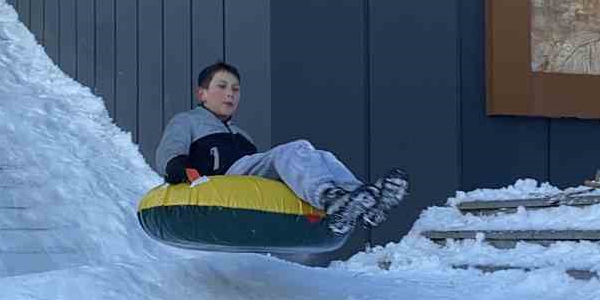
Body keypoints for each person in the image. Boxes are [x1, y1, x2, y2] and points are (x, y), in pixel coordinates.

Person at [154, 62, 409, 235]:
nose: (230, 94)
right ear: (202, 94)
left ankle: (360, 199)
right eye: (221, 87)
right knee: (294, 149)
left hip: (247, 183)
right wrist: (174, 165)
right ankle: (331, 197)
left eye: (236, 89)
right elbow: (171, 147)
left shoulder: (243, 136)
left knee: (321, 156)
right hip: (219, 184)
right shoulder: (187, 121)